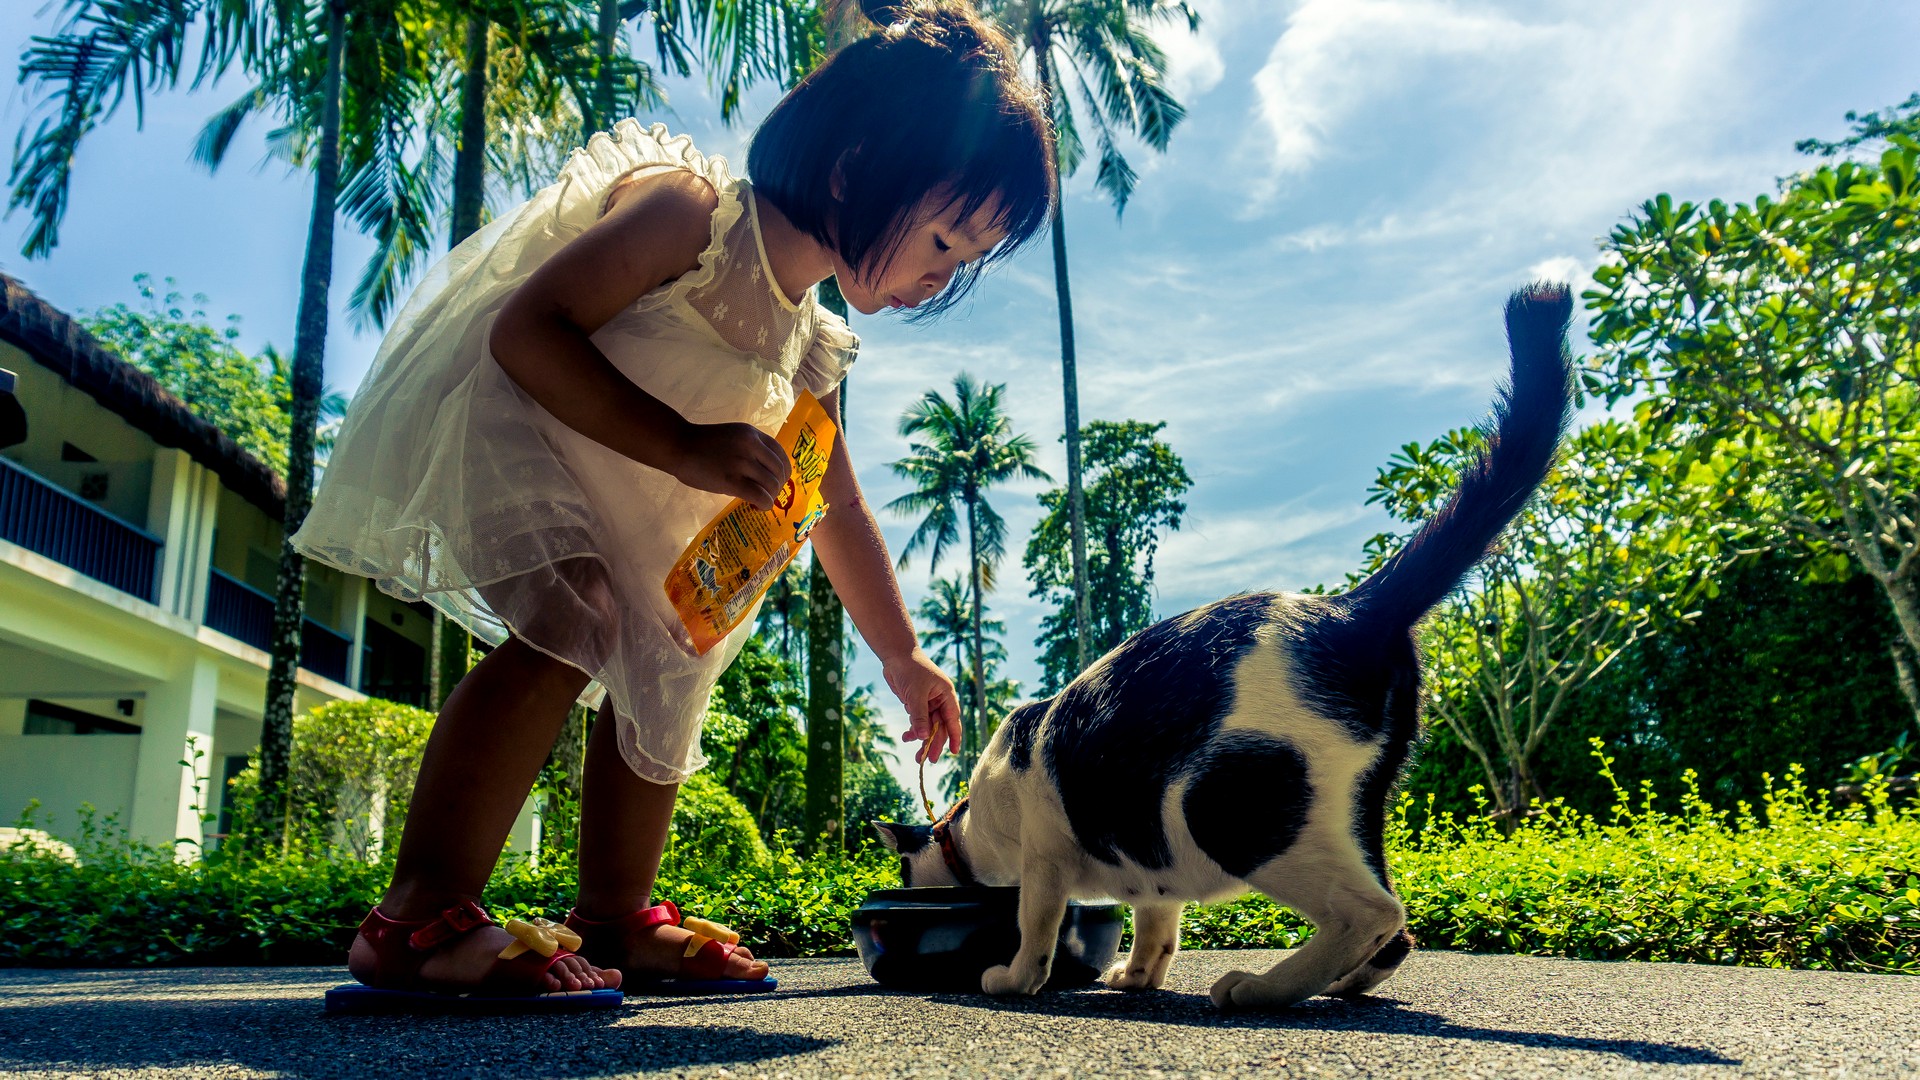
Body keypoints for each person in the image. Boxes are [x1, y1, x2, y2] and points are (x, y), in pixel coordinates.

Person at [292, 0, 1054, 1001]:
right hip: (533, 440)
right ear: (852, 169)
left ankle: (612, 914)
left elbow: (837, 504)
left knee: (669, 665)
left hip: (643, 515)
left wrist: (901, 656)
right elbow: (529, 332)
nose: (941, 278)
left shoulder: (812, 343)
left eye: (965, 258)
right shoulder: (689, 216)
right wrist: (683, 446)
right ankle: (416, 917)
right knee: (580, 612)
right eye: (945, 239)